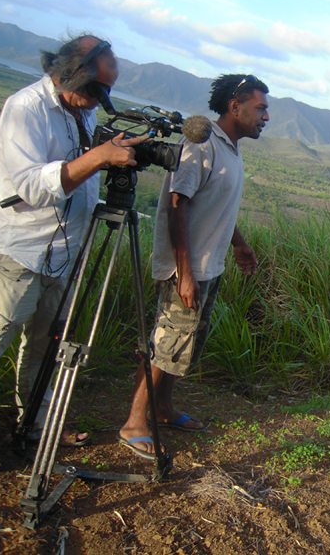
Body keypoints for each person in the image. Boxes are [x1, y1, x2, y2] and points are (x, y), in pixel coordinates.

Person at [0, 35, 146, 474]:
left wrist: (108, 154)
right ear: (69, 74)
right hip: (17, 250)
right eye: (95, 90)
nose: (98, 101)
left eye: (106, 90)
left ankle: (37, 423)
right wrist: (100, 156)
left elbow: (78, 171)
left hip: (63, 253)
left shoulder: (77, 113)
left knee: (45, 347)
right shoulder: (26, 108)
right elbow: (29, 185)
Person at [117, 74, 269, 459]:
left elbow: (216, 203)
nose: (265, 116)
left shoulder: (230, 148)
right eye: (260, 108)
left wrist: (238, 244)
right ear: (235, 107)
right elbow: (176, 204)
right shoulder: (200, 144)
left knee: (182, 344)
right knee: (166, 341)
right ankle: (135, 421)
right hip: (184, 268)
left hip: (208, 265)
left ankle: (163, 409)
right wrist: (184, 272)